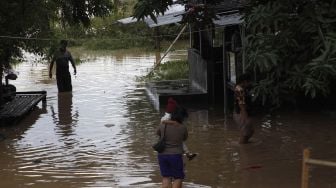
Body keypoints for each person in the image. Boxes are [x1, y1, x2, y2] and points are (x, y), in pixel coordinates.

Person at [157, 106, 188, 188]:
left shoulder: (163, 125)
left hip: (162, 155)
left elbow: (158, 133)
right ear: (182, 117)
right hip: (176, 155)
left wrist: (164, 123)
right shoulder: (182, 128)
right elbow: (184, 138)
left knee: (166, 177)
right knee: (178, 177)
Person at [233, 73, 254, 144]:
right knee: (245, 134)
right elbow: (241, 104)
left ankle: (245, 146)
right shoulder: (240, 90)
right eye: (249, 81)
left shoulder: (241, 88)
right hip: (241, 113)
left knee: (250, 131)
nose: (251, 83)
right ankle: (243, 149)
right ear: (244, 81)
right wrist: (245, 117)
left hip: (242, 112)